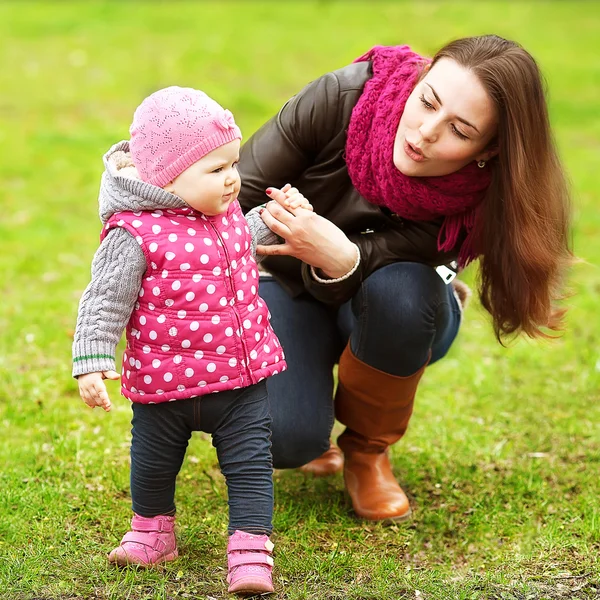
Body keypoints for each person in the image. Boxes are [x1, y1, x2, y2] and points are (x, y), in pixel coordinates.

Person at [237, 35, 572, 522]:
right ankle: (308, 414)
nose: (425, 132)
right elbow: (234, 200)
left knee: (403, 295)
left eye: (459, 129)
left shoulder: (484, 196)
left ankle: (367, 452)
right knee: (285, 438)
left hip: (397, 300)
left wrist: (344, 256)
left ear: (490, 148)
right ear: (419, 79)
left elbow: (392, 264)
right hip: (285, 280)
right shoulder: (341, 98)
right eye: (427, 101)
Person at [72, 86, 311, 594]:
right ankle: (152, 531)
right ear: (167, 179)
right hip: (164, 388)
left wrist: (274, 217)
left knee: (249, 467)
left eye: (233, 164)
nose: (232, 180)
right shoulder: (133, 233)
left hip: (238, 383)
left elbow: (246, 240)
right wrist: (92, 360)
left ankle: (249, 550)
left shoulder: (224, 216)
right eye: (216, 169)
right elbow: (104, 300)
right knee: (152, 464)